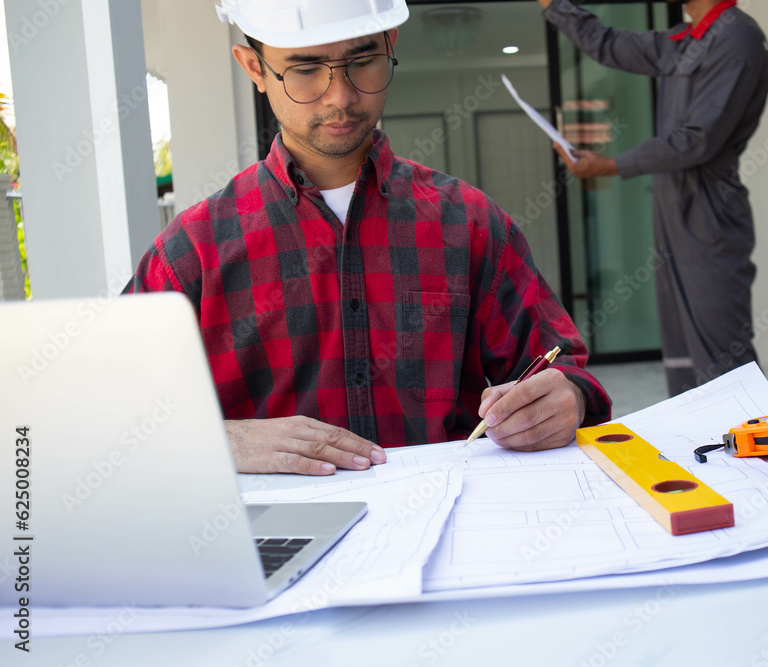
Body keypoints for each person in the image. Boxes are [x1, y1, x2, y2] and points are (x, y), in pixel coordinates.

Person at [124, 0, 610, 475]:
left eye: (362, 62)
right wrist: (221, 439)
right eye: (306, 69)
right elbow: (109, 413)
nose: (340, 96)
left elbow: (559, 368)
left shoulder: (470, 223)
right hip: (280, 524)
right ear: (255, 67)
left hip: (452, 512)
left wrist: (566, 396)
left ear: (390, 45)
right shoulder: (194, 251)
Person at [538, 0, 768, 396]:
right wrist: (557, 6)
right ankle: (698, 430)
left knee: (722, 351)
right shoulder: (685, 40)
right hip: (672, 203)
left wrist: (611, 165)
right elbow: (609, 44)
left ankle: (757, 432)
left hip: (708, 209)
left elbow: (697, 140)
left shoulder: (736, 37)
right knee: (682, 351)